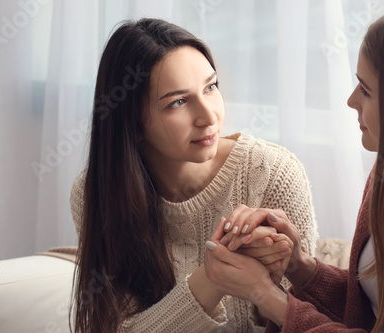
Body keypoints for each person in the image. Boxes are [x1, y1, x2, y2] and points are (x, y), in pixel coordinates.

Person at [204, 4, 384, 332]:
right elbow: (367, 308)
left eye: (365, 89)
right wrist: (300, 266)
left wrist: (265, 296)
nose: (351, 101)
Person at [69, 18, 318, 332]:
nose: (208, 115)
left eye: (211, 87)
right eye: (178, 102)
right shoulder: (97, 194)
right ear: (132, 125)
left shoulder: (273, 173)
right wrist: (213, 277)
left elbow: (310, 319)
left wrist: (277, 268)